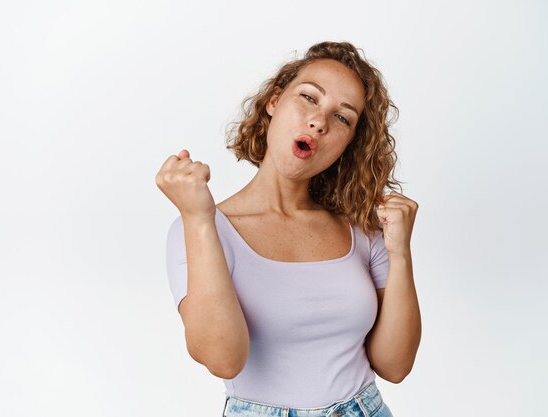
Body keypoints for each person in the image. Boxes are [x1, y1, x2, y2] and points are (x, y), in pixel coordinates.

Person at [155, 41, 421, 417]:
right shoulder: (203, 229)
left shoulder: (362, 228)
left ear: (349, 143)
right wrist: (199, 218)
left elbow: (395, 365)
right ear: (274, 102)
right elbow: (223, 359)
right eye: (309, 98)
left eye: (342, 118)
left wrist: (400, 252)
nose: (319, 122)